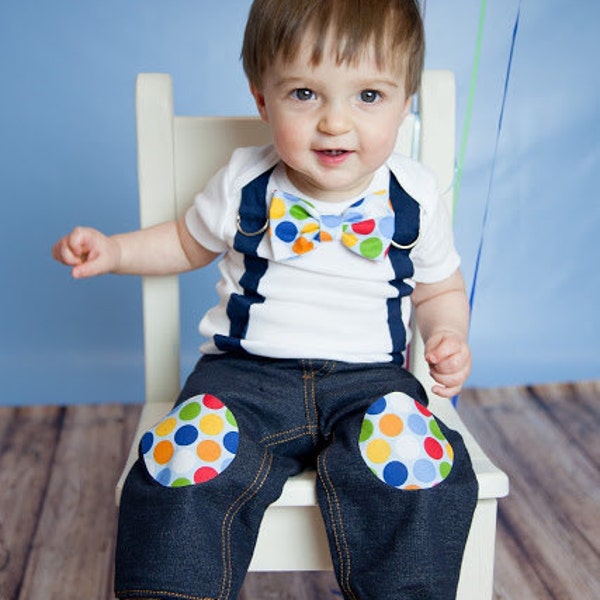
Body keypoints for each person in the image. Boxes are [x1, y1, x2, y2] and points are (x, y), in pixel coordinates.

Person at [52, 1, 478, 598]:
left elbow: (439, 288)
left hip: (371, 382)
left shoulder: (414, 194)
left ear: (406, 101)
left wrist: (444, 334)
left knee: (415, 464)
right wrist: (115, 250)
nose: (335, 122)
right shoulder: (244, 180)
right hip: (243, 379)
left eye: (369, 96)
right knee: (186, 459)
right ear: (262, 99)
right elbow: (183, 241)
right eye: (304, 94)